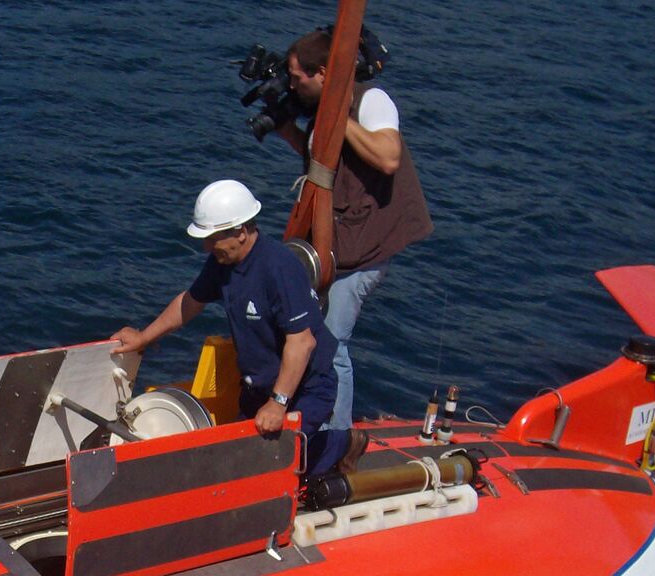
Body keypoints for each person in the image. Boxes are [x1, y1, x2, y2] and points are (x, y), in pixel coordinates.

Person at [113, 179, 367, 477]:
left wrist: (278, 403)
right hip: (258, 387)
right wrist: (143, 337)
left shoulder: (279, 268)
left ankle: (343, 444)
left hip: (305, 388)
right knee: (232, 461)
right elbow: (190, 302)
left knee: (274, 465)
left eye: (213, 238)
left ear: (241, 232)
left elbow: (303, 343)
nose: (207, 246)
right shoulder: (221, 263)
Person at [276, 28, 433, 430]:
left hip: (365, 247)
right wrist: (287, 129)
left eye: (298, 78)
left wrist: (338, 115)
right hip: (334, 241)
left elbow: (387, 156)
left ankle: (335, 439)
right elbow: (325, 157)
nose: (293, 86)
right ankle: (314, 419)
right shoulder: (325, 109)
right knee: (308, 332)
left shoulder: (371, 101)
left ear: (325, 73)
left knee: (330, 345)